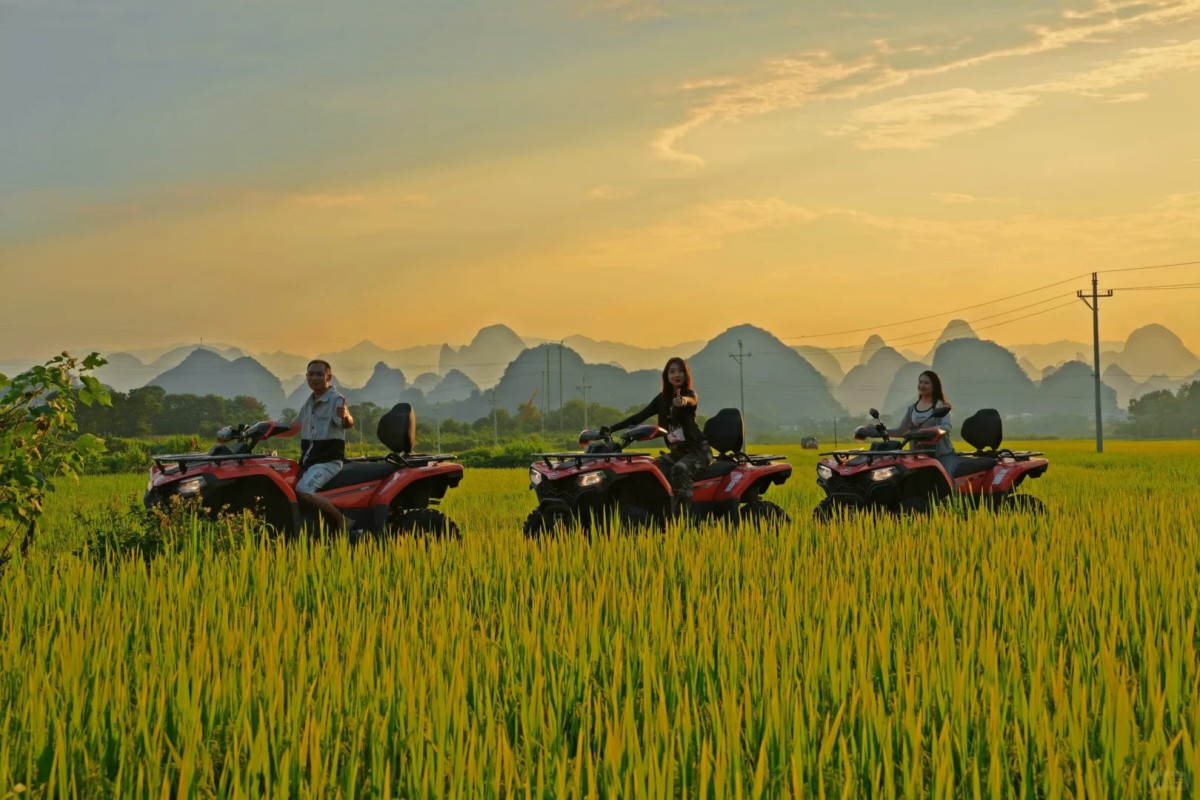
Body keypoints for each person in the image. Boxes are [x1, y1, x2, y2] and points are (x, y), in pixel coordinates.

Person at [220, 359, 356, 531]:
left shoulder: (336, 399)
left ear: (329, 376)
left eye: (319, 374)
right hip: (309, 461)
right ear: (306, 376)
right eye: (311, 374)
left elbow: (347, 422)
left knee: (303, 490)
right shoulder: (309, 403)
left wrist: (346, 417)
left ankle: (342, 519)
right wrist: (263, 433)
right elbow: (293, 428)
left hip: (327, 461)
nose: (314, 377)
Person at [601, 357, 712, 518]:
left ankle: (683, 520)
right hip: (676, 454)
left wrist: (682, 401)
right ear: (666, 375)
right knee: (650, 469)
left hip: (698, 451)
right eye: (672, 371)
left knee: (680, 469)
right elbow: (639, 416)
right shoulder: (662, 399)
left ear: (686, 374)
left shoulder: (689, 394)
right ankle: (655, 514)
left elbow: (691, 400)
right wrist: (612, 429)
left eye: (680, 370)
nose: (676, 374)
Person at [886, 369, 957, 480]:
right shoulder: (912, 409)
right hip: (918, 455)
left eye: (926, 383)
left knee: (945, 479)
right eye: (920, 382)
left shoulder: (941, 405)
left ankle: (955, 496)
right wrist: (882, 431)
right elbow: (903, 431)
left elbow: (946, 427)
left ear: (934, 386)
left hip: (941, 455)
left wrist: (933, 430)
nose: (922, 385)